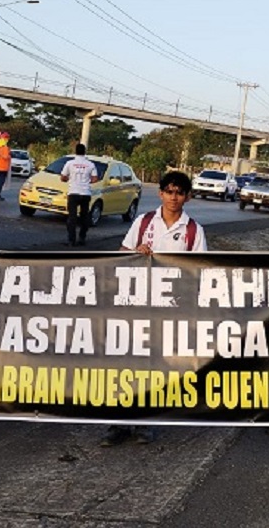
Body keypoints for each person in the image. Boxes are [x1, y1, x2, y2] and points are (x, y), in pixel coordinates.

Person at [101, 170, 207, 447]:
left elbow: (199, 272)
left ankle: (145, 423)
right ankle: (118, 422)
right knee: (126, 361)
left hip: (169, 308)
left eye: (179, 192)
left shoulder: (193, 230)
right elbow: (122, 255)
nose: (173, 197)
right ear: (160, 193)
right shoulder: (144, 221)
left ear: (188, 197)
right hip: (135, 302)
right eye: (169, 191)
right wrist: (137, 251)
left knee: (155, 365)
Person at [59, 143, 98, 246]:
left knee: (72, 217)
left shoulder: (70, 163)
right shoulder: (90, 164)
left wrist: (69, 179)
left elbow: (62, 177)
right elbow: (94, 179)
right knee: (84, 216)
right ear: (85, 152)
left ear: (75, 151)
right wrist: (86, 181)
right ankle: (82, 238)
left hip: (73, 192)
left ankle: (71, 240)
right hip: (85, 193)